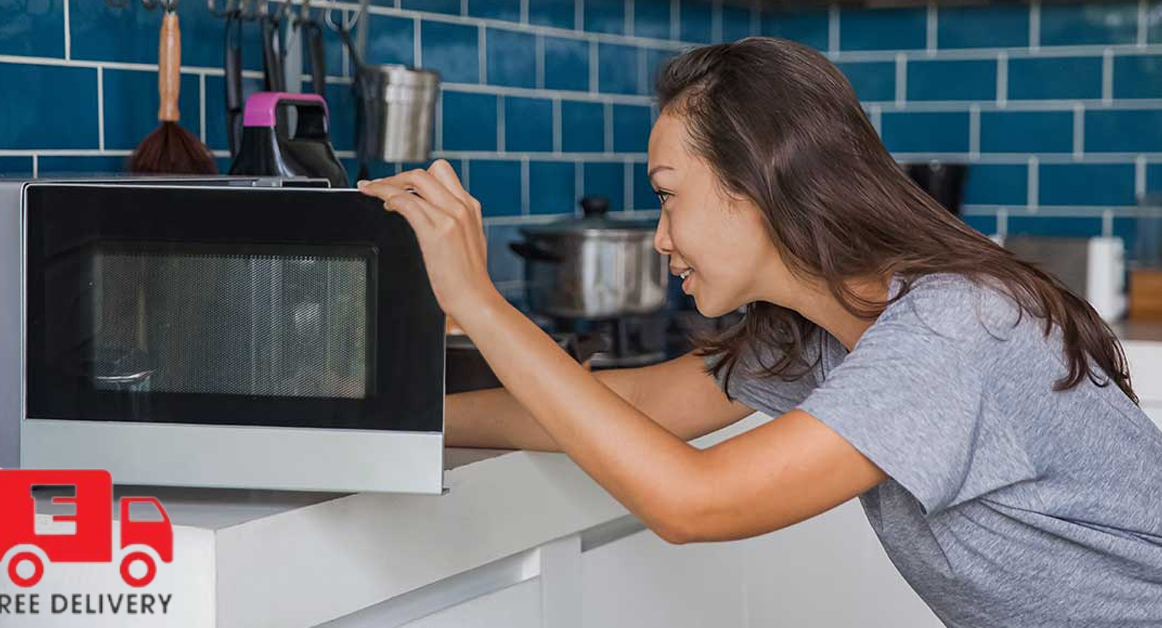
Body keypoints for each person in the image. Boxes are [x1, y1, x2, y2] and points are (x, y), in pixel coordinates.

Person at [358, 37, 1162, 628]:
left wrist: (481, 300)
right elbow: (640, 402)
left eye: (668, 195)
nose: (661, 236)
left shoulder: (955, 327)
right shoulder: (829, 329)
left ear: (756, 185)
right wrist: (392, 416)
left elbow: (693, 503)